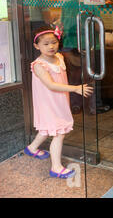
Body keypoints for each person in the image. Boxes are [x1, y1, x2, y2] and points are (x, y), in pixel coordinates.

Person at [24, 25, 93, 179]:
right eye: (46, 44)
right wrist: (75, 89)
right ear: (37, 46)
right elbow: (51, 85)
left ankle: (32, 148)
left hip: (59, 100)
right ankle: (56, 167)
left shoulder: (60, 57)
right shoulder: (39, 65)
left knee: (47, 129)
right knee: (59, 133)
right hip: (48, 103)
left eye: (54, 42)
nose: (51, 46)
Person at [59, 0, 110, 115]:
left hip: (70, 45)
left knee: (74, 77)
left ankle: (75, 106)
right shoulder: (90, 5)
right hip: (88, 46)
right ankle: (91, 107)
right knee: (89, 77)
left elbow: (62, 25)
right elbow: (99, 27)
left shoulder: (66, 5)